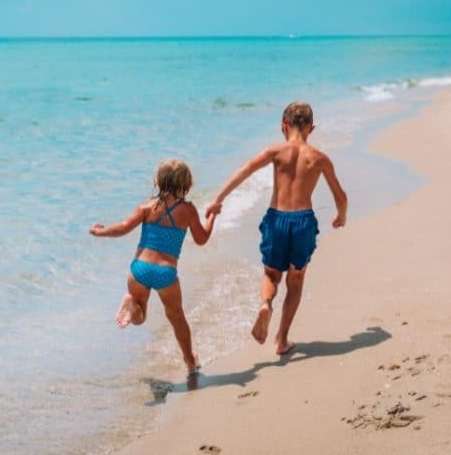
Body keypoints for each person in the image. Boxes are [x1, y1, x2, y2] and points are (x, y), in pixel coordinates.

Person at [205, 102, 347, 355]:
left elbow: (244, 171)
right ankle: (281, 339)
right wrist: (341, 216)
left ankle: (265, 305)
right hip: (303, 221)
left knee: (271, 274)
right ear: (311, 129)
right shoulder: (320, 158)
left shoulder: (275, 151)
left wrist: (218, 199)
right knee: (296, 279)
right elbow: (340, 195)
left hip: (276, 219)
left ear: (284, 126)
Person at [90, 159, 217, 373]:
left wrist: (101, 232)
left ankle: (132, 306)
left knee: (140, 317)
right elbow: (201, 238)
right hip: (165, 273)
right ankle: (190, 361)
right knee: (176, 317)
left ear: (158, 182)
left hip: (139, 269)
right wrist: (212, 215)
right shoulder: (188, 210)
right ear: (186, 183)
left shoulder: (147, 207)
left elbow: (122, 228)